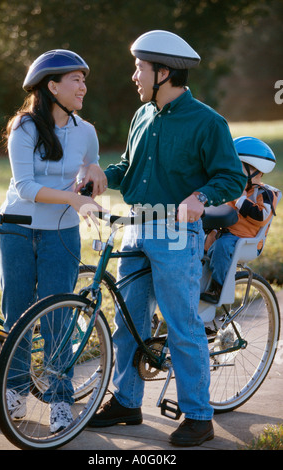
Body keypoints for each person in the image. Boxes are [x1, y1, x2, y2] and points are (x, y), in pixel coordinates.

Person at [86, 30, 247, 447]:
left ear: (163, 72)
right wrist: (106, 176)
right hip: (138, 225)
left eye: (139, 68)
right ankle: (126, 400)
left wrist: (200, 196)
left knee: (181, 324)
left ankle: (198, 415)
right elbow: (129, 166)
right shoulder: (143, 115)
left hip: (177, 234)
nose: (134, 76)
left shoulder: (209, 122)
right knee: (128, 322)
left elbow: (230, 176)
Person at [0, 49, 107, 431]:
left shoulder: (86, 131)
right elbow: (24, 187)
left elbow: (90, 167)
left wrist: (93, 169)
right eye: (76, 79)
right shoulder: (23, 127)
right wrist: (74, 199)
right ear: (52, 86)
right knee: (17, 313)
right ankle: (16, 395)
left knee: (58, 316)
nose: (83, 86)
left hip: (62, 234)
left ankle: (59, 400)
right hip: (17, 230)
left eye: (84, 79)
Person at [201, 136, 278, 304]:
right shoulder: (235, 190)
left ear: (255, 170)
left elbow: (261, 217)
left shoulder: (264, 194)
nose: (232, 172)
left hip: (245, 240)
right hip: (226, 233)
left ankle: (217, 287)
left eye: (237, 168)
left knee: (221, 247)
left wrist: (240, 200)